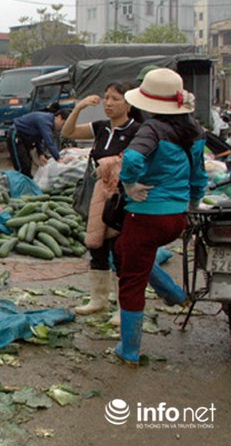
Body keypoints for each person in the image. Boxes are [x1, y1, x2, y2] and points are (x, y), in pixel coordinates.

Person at [113, 68, 208, 366]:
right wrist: (190, 203)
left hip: (146, 218)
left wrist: (129, 184)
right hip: (176, 220)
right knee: (123, 253)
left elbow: (132, 158)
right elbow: (199, 177)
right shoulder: (194, 133)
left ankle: (129, 350)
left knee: (131, 279)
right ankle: (172, 292)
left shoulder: (152, 129)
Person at [61, 82, 141, 316]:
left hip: (125, 197)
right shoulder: (101, 128)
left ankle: (122, 307)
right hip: (98, 195)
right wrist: (79, 108)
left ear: (128, 103)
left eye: (115, 99)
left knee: (120, 251)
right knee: (97, 246)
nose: (108, 103)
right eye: (106, 97)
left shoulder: (137, 130)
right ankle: (98, 300)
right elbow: (68, 132)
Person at [7, 107, 70, 177]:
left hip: (26, 140)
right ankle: (21, 184)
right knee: (22, 166)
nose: (62, 127)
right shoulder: (45, 120)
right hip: (16, 135)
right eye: (63, 124)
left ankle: (28, 183)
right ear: (59, 117)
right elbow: (49, 141)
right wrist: (58, 159)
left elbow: (39, 137)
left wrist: (40, 153)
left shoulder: (48, 121)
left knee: (28, 164)